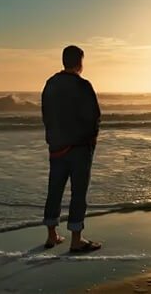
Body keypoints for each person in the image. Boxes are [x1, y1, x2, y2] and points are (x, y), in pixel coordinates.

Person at [41, 45, 101, 252]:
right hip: (79, 147)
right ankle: (76, 239)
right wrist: (92, 139)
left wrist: (52, 139)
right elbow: (94, 116)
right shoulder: (83, 86)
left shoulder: (51, 84)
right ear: (79, 62)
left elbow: (46, 115)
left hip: (57, 147)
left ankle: (51, 236)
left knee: (54, 189)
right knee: (78, 192)